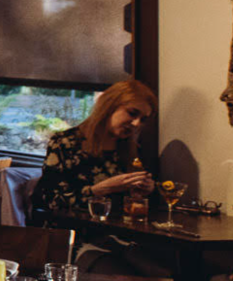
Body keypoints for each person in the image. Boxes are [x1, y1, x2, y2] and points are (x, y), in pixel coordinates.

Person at [35, 79, 156, 214]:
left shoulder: (132, 149)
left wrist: (146, 190)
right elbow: (52, 202)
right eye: (132, 113)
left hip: (118, 229)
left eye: (143, 119)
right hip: (75, 229)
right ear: (109, 107)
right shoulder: (65, 143)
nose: (136, 123)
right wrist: (101, 189)